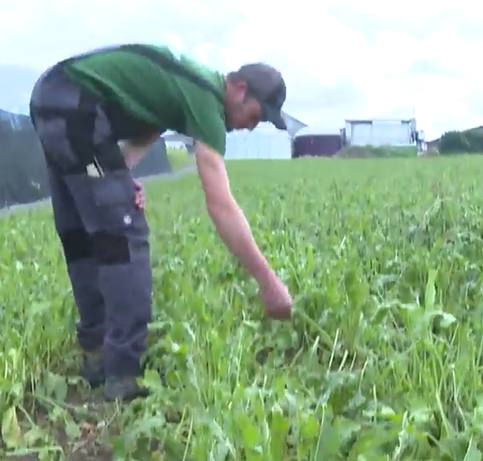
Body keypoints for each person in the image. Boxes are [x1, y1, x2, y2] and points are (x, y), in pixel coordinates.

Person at [28, 43, 293, 402]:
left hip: (54, 103)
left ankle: (96, 355)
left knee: (84, 231)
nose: (249, 127)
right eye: (256, 116)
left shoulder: (185, 86)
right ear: (240, 90)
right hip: (77, 107)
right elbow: (221, 205)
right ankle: (122, 372)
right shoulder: (205, 96)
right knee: (124, 234)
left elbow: (148, 127)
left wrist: (118, 176)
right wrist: (268, 282)